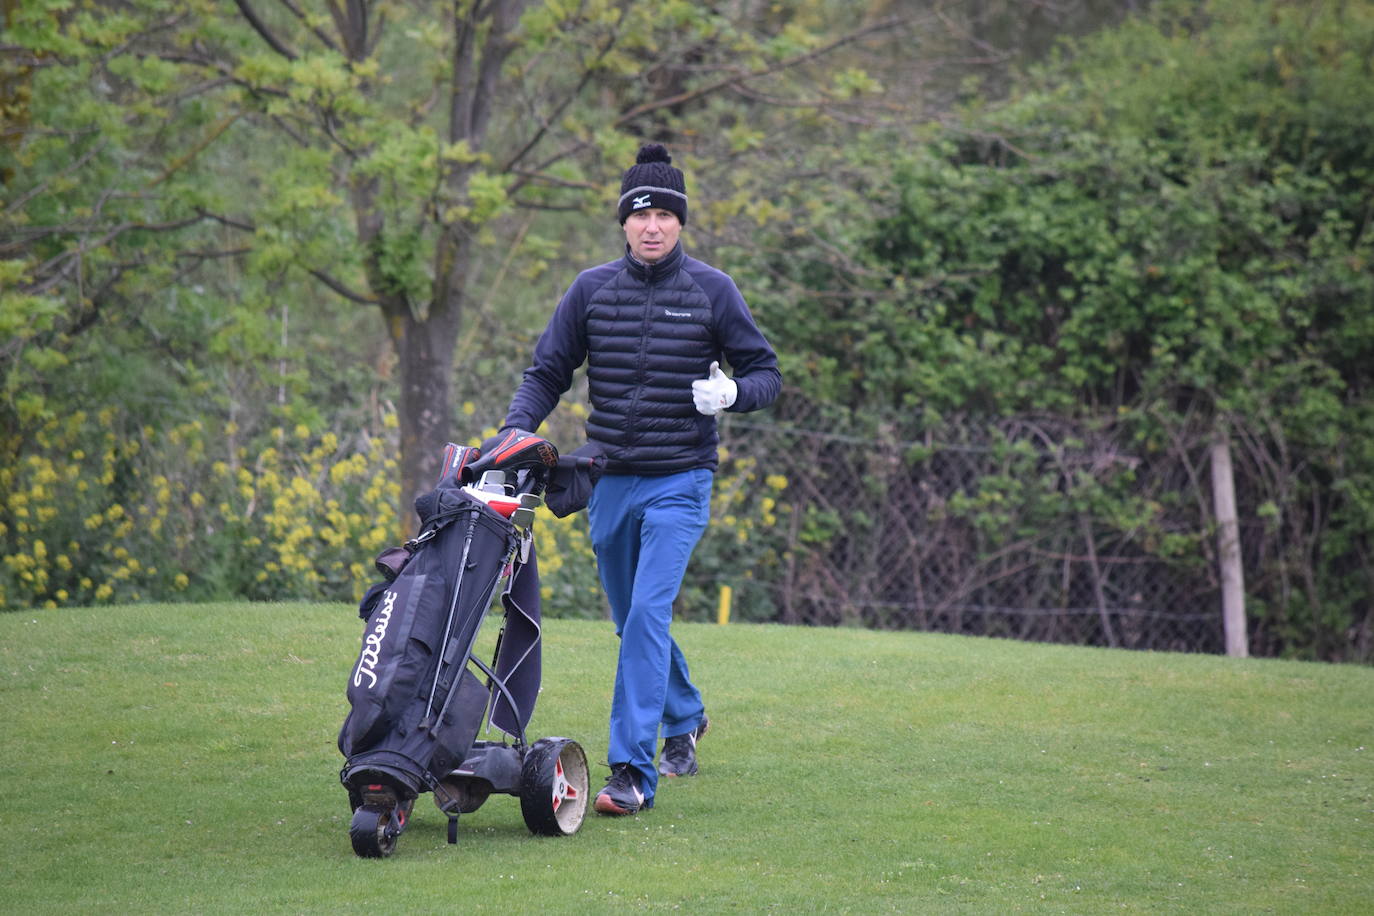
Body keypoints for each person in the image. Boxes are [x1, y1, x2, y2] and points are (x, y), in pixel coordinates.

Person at [500, 143, 781, 816]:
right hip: (610, 480)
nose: (651, 225)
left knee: (649, 613)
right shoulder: (591, 290)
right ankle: (684, 714)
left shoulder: (714, 291)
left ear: (681, 223)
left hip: (681, 480)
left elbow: (768, 375)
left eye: (664, 214)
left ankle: (631, 771)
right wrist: (516, 432)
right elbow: (547, 373)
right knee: (631, 621)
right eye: (639, 214)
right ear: (623, 223)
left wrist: (733, 394)